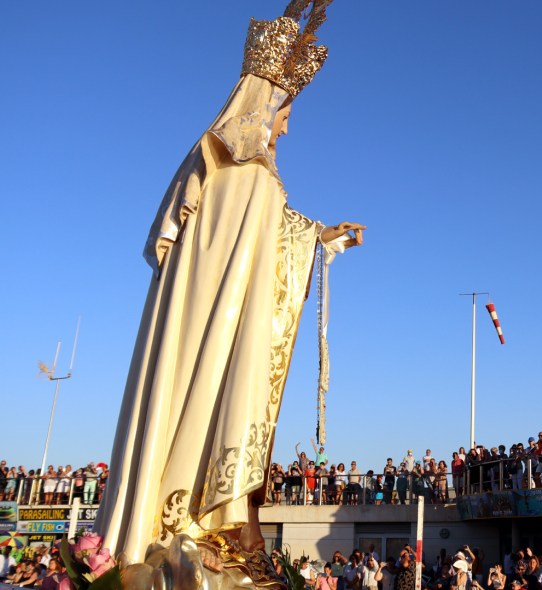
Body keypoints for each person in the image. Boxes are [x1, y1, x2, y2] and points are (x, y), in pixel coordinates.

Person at [94, 0, 364, 577]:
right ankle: (184, 527)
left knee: (210, 392)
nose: (287, 126)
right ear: (263, 106)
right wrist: (310, 237)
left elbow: (266, 239)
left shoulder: (237, 174)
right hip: (212, 321)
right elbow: (244, 243)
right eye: (285, 113)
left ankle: (188, 522)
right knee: (203, 391)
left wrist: (319, 236)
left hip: (225, 317)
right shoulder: (243, 174)